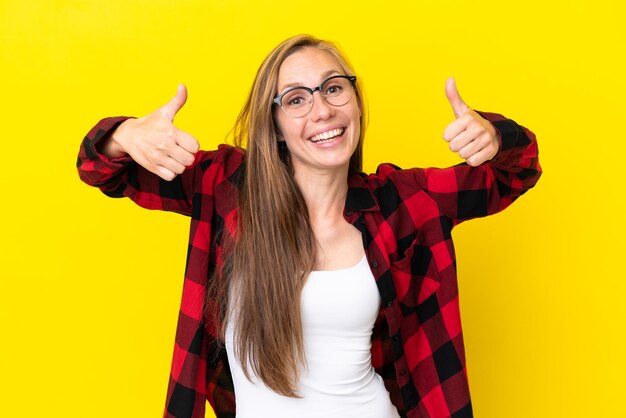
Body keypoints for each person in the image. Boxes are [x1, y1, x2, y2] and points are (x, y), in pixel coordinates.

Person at [77, 35, 541, 418]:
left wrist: (496, 136)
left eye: (334, 88)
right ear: (275, 124)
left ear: (356, 102)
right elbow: (101, 170)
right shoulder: (224, 187)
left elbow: (515, 173)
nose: (322, 111)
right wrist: (125, 135)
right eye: (296, 99)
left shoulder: (400, 202)